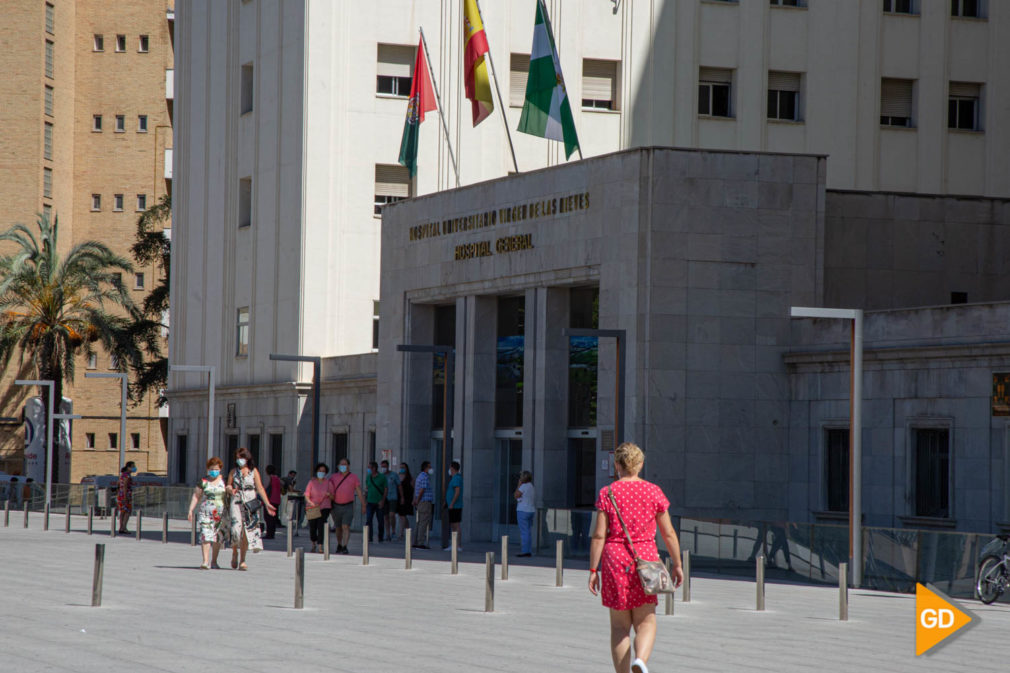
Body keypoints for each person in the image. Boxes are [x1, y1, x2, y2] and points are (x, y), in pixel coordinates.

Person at [588, 443, 684, 673]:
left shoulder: (607, 492)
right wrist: (677, 564)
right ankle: (640, 660)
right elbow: (668, 532)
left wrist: (593, 570)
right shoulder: (653, 491)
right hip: (646, 556)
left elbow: (599, 535)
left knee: (619, 626)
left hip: (615, 558)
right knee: (646, 620)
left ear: (617, 465)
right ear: (640, 464)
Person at [226, 448, 276, 570]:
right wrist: (229, 489)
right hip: (236, 500)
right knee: (236, 529)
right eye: (237, 458)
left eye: (241, 458)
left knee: (247, 531)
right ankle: (234, 552)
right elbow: (228, 485)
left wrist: (267, 504)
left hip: (250, 501)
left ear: (247, 458)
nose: (239, 460)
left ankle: (242, 560)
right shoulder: (233, 471)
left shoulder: (253, 472)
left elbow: (260, 488)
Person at [187, 457, 228, 569]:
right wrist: (191, 509)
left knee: (217, 537)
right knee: (206, 535)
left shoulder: (224, 481)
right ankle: (205, 561)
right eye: (211, 469)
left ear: (220, 469)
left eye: (216, 468)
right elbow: (196, 496)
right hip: (206, 512)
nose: (213, 471)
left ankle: (214, 561)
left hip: (220, 513)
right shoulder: (203, 482)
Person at [328, 458, 364, 555]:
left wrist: (363, 504)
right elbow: (328, 490)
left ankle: (345, 546)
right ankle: (339, 544)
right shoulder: (333, 477)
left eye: (345, 464)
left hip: (348, 505)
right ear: (338, 466)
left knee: (346, 526)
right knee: (338, 527)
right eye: (341, 464)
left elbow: (359, 491)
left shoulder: (354, 477)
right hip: (336, 506)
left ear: (348, 466)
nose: (343, 466)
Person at [303, 463, 333, 553]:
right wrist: (310, 502)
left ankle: (320, 546)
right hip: (312, 507)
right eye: (320, 471)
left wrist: (329, 495)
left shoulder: (328, 483)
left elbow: (333, 496)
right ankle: (313, 543)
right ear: (316, 471)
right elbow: (306, 494)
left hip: (324, 507)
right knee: (312, 526)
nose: (321, 472)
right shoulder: (312, 482)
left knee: (321, 525)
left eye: (323, 471)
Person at [412, 461, 434, 549]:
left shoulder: (419, 476)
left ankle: (416, 541)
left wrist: (416, 500)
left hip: (421, 502)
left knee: (419, 522)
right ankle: (420, 542)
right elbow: (422, 490)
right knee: (423, 522)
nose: (431, 469)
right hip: (424, 502)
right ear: (426, 468)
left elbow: (417, 490)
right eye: (429, 467)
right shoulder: (424, 477)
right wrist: (417, 500)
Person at [364, 461, 387, 543]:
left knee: (380, 520)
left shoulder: (382, 477)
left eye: (369, 468)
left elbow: (385, 489)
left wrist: (383, 501)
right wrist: (365, 499)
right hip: (370, 502)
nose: (368, 469)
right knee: (368, 519)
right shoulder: (368, 477)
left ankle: (380, 537)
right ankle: (369, 537)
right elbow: (366, 488)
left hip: (379, 502)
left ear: (374, 468)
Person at [514, 470, 535, 557]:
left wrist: (518, 485)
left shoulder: (523, 486)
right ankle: (528, 549)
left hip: (523, 511)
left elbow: (516, 495)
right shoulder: (531, 486)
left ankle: (525, 551)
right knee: (527, 531)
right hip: (530, 510)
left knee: (524, 532)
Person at [443, 461, 463, 551]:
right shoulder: (454, 478)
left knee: (456, 525)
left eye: (450, 468)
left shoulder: (456, 478)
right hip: (452, 506)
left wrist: (452, 503)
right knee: (453, 525)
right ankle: (454, 544)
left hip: (455, 506)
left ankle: (457, 545)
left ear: (452, 468)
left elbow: (457, 492)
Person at [263, 465, 283, 539]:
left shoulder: (269, 478)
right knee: (273, 518)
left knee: (268, 518)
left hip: (270, 500)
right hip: (277, 500)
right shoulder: (277, 478)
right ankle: (272, 533)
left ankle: (269, 534)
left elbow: (265, 488)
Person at [117, 461, 137, 534]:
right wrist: (125, 497)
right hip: (126, 496)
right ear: (128, 467)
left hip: (120, 495)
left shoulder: (122, 475)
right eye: (132, 466)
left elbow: (118, 484)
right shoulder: (127, 476)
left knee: (122, 511)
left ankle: (121, 527)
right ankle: (124, 527)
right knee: (127, 511)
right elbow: (125, 486)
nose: (134, 468)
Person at [282, 470, 303, 535]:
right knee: (287, 512)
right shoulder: (288, 479)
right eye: (293, 475)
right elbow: (291, 490)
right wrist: (298, 490)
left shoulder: (287, 479)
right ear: (289, 474)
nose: (293, 477)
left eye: (294, 475)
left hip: (282, 495)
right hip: (284, 496)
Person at [395, 463, 413, 540]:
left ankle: (401, 533)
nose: (401, 469)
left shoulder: (409, 478)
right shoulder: (398, 477)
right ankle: (408, 531)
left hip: (407, 498)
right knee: (402, 516)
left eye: (403, 467)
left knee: (403, 516)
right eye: (400, 467)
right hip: (399, 498)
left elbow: (413, 487)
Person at [382, 459, 398, 541]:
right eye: (382, 467)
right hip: (385, 498)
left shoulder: (394, 475)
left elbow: (399, 485)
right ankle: (387, 534)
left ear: (388, 466)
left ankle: (394, 531)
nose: (383, 468)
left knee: (392, 515)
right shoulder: (381, 476)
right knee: (386, 517)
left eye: (385, 466)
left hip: (393, 497)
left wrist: (401, 497)